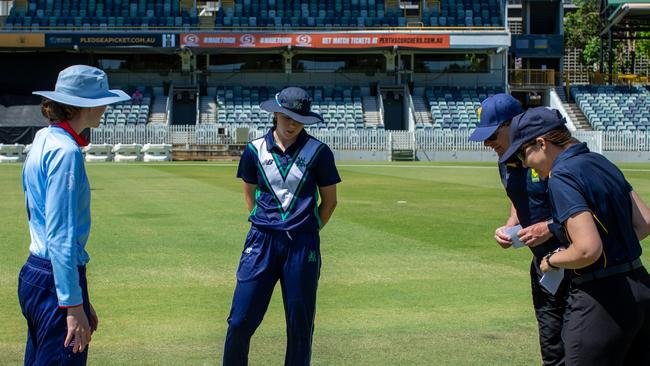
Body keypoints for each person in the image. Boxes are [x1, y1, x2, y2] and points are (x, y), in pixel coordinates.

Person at [500, 106, 650, 365]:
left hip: (601, 298)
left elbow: (586, 250)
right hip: (640, 289)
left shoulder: (561, 175)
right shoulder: (601, 161)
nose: (525, 164)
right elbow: (644, 222)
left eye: (525, 154)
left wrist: (552, 260)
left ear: (541, 143)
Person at [20, 65, 130, 365]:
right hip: (53, 280)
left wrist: (80, 298)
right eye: (101, 101)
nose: (106, 107)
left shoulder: (44, 137)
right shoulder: (66, 152)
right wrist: (72, 303)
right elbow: (61, 235)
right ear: (83, 105)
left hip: (38, 274)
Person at [223, 87, 340, 366]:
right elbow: (249, 193)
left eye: (299, 119)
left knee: (300, 326)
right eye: (286, 117)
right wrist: (265, 223)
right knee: (240, 320)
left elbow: (330, 202)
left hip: (302, 245)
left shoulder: (319, 153)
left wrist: (306, 229)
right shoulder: (254, 150)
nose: (292, 124)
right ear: (275, 113)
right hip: (261, 242)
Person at [469, 95, 569, 365]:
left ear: (513, 124)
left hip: (577, 264)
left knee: (581, 347)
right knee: (551, 346)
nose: (488, 143)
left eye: (492, 135)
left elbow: (580, 206)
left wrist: (548, 228)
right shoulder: (505, 161)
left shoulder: (550, 156)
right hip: (544, 267)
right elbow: (518, 197)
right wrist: (512, 224)